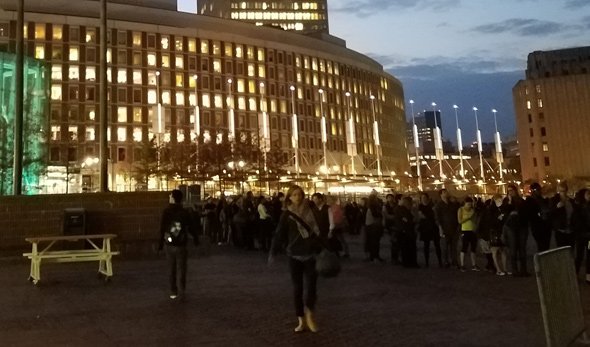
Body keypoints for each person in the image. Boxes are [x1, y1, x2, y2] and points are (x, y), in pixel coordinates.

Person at [269, 185, 321, 333]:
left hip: (310, 253)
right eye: (294, 195)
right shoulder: (287, 215)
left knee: (312, 286)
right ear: (289, 197)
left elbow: (318, 230)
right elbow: (280, 233)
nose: (298, 197)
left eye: (300, 194)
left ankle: (310, 313)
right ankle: (301, 319)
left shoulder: (311, 211)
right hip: (294, 255)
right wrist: (273, 250)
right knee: (297, 288)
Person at [158, 189, 198, 299]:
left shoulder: (166, 211)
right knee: (182, 267)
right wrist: (196, 239)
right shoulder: (185, 212)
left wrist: (160, 243)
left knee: (171, 268)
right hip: (181, 243)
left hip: (169, 243)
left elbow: (162, 228)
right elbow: (191, 227)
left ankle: (173, 291)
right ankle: (182, 289)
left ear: (172, 198)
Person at [504, 184, 530, 276]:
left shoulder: (522, 201)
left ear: (515, 190)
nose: (510, 192)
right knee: (513, 249)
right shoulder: (507, 201)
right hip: (511, 227)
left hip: (521, 226)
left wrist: (516, 213)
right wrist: (510, 203)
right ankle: (514, 270)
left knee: (522, 249)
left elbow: (525, 213)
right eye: (509, 191)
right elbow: (505, 212)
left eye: (512, 190)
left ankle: (523, 270)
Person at [434, 189, 460, 268]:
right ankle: (445, 261)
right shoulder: (438, 205)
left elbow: (457, 214)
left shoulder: (452, 204)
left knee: (454, 247)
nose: (446, 193)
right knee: (444, 247)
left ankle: (454, 261)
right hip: (444, 228)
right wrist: (440, 228)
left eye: (447, 192)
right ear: (441, 194)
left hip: (454, 228)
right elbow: (437, 218)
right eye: (444, 192)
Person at [417, 193, 442, 268]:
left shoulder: (432, 205)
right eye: (422, 198)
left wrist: (428, 216)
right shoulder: (420, 206)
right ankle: (426, 262)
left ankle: (440, 261)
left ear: (427, 198)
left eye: (424, 197)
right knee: (426, 245)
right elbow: (421, 216)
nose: (423, 199)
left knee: (437, 245)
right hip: (425, 228)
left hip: (433, 227)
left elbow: (434, 215)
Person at [525, 182, 552, 252]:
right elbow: (530, 214)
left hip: (545, 226)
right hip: (537, 226)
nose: (539, 191)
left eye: (539, 189)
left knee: (545, 247)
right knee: (541, 246)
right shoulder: (530, 201)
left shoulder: (542, 200)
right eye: (537, 190)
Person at [395, 196, 418, 268]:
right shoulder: (401, 209)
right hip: (405, 231)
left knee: (408, 248)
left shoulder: (403, 209)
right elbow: (408, 220)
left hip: (406, 231)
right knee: (407, 248)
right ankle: (409, 262)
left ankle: (409, 262)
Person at [551, 182, 576, 249]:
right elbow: (551, 213)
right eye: (561, 191)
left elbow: (574, 214)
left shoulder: (570, 201)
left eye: (564, 191)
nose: (563, 193)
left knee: (571, 250)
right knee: (562, 250)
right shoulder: (554, 200)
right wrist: (557, 207)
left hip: (571, 230)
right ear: (558, 191)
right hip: (561, 230)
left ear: (567, 190)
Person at [457, 197, 479, 272]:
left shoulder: (473, 210)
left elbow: (475, 220)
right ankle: (462, 265)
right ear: (465, 203)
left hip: (472, 230)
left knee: (473, 248)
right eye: (468, 204)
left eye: (470, 204)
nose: (469, 206)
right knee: (464, 248)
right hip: (465, 230)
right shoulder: (461, 209)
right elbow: (459, 221)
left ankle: (474, 265)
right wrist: (468, 217)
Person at [365, 190, 385, 263]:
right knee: (374, 242)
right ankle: (375, 256)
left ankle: (373, 256)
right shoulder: (373, 207)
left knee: (373, 242)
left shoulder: (370, 206)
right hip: (373, 226)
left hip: (371, 225)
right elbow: (376, 215)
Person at [383, 194, 400, 265]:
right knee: (394, 241)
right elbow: (386, 215)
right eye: (389, 198)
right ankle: (394, 258)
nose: (390, 199)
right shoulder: (385, 206)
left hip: (397, 225)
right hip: (390, 225)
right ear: (387, 199)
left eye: (391, 197)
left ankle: (396, 257)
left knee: (396, 242)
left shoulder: (396, 205)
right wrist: (394, 217)